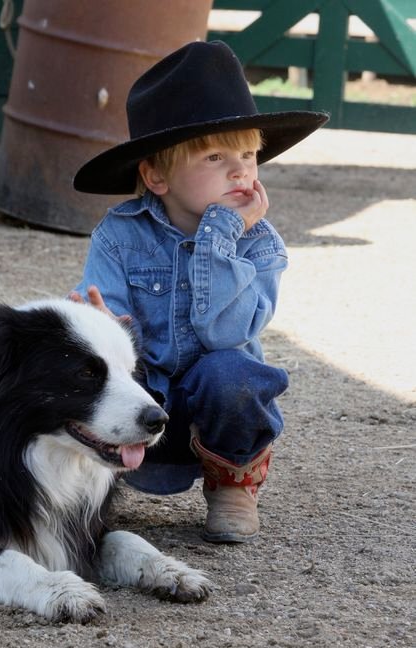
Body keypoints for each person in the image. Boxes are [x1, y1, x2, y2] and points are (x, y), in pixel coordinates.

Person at [70, 41, 328, 543]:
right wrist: (100, 323)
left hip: (215, 403)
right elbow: (107, 319)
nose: (240, 170)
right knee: (86, 370)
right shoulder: (119, 235)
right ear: (155, 175)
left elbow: (223, 332)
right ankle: (93, 483)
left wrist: (218, 235)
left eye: (249, 154)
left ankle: (232, 481)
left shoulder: (260, 246)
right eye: (215, 155)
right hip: (142, 397)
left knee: (233, 373)